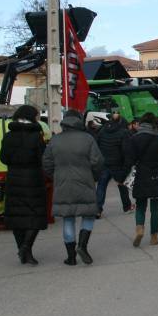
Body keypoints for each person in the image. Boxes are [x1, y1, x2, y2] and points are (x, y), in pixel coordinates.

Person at [42, 110, 105, 266]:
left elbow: (46, 163)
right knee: (88, 215)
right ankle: (82, 246)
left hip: (62, 183)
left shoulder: (55, 140)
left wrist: (55, 176)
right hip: (84, 181)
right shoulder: (88, 139)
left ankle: (71, 257)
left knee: (68, 218)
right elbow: (97, 161)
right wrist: (94, 177)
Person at [0, 105, 47, 265]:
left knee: (17, 217)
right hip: (33, 179)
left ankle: (23, 250)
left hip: (13, 179)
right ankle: (26, 247)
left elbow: (3, 158)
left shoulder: (8, 136)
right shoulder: (36, 136)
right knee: (36, 215)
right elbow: (43, 158)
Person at [126, 112, 158, 246]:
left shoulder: (134, 139)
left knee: (140, 205)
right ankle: (154, 236)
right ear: (154, 124)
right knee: (155, 207)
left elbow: (129, 160)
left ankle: (140, 229)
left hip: (141, 175)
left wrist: (124, 176)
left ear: (141, 124)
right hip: (157, 176)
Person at [96, 110, 133, 215]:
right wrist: (127, 166)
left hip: (105, 162)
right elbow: (126, 150)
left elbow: (97, 145)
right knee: (122, 185)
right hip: (118, 163)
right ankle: (127, 207)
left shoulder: (102, 130)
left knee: (101, 186)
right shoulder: (124, 132)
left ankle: (98, 209)